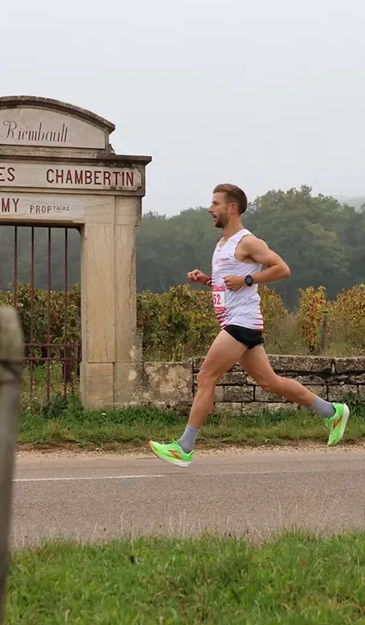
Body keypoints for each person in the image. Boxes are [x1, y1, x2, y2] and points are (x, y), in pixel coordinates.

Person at [149, 183, 350, 467]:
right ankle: (332, 411)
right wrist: (207, 280)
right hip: (236, 321)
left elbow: (282, 269)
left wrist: (248, 280)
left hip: (241, 322)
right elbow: (228, 284)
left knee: (206, 377)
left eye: (216, 203)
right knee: (270, 383)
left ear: (232, 208)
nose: (210, 208)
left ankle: (184, 447)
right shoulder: (223, 245)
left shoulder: (248, 241)